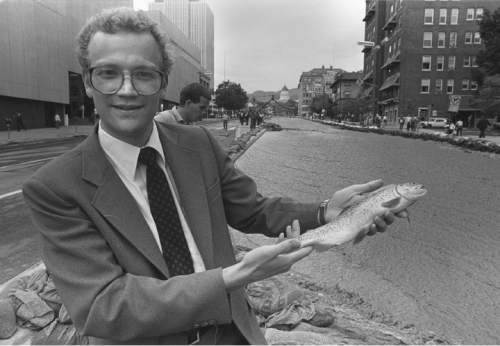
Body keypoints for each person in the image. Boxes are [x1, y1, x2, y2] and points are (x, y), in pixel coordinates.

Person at [22, 8, 402, 345]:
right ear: (88, 83)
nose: (126, 90)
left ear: (164, 83)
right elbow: (103, 307)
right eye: (108, 74)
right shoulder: (54, 187)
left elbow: (254, 211)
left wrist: (324, 213)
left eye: (143, 74)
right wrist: (231, 278)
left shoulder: (198, 145)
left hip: (234, 335)